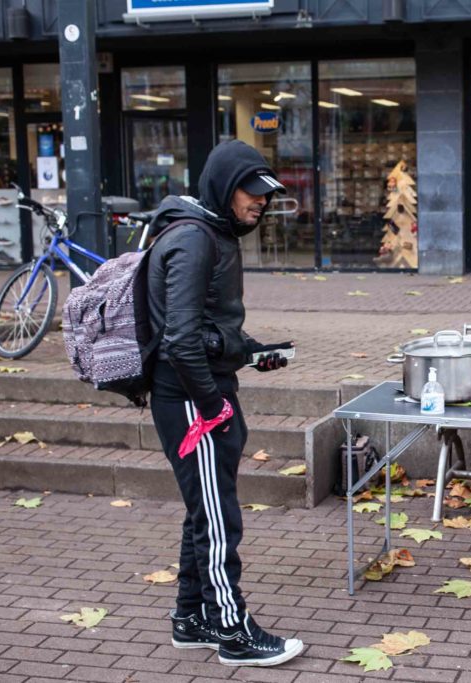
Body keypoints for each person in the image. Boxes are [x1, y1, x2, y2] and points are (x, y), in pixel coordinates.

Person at [146, 140, 304, 667]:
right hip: (190, 399)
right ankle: (233, 632)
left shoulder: (210, 232)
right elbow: (181, 341)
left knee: (203, 510)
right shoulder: (194, 239)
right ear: (222, 187)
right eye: (250, 192)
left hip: (199, 392)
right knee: (218, 519)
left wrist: (251, 352)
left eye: (266, 193)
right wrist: (214, 406)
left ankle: (190, 619)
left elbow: (207, 330)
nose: (260, 202)